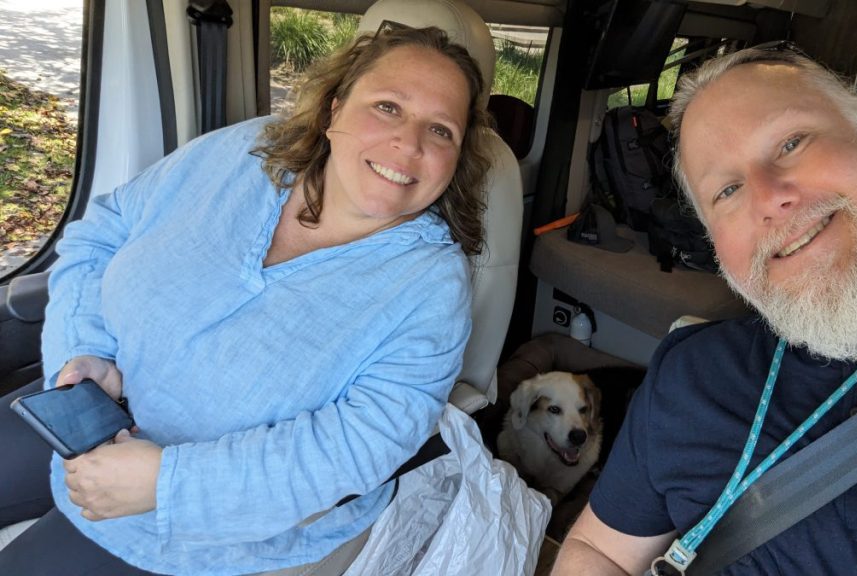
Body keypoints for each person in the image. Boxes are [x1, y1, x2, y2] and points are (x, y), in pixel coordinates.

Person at [0, 25, 492, 575]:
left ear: (456, 158)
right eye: (387, 106)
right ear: (334, 111)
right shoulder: (247, 150)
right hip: (78, 412)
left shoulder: (431, 285)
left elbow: (362, 443)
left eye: (441, 130)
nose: (410, 144)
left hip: (208, 529)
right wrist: (86, 353)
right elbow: (104, 231)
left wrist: (170, 484)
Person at [553, 44, 857, 575]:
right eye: (727, 190)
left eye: (791, 143)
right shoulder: (690, 377)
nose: (768, 199)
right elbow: (597, 551)